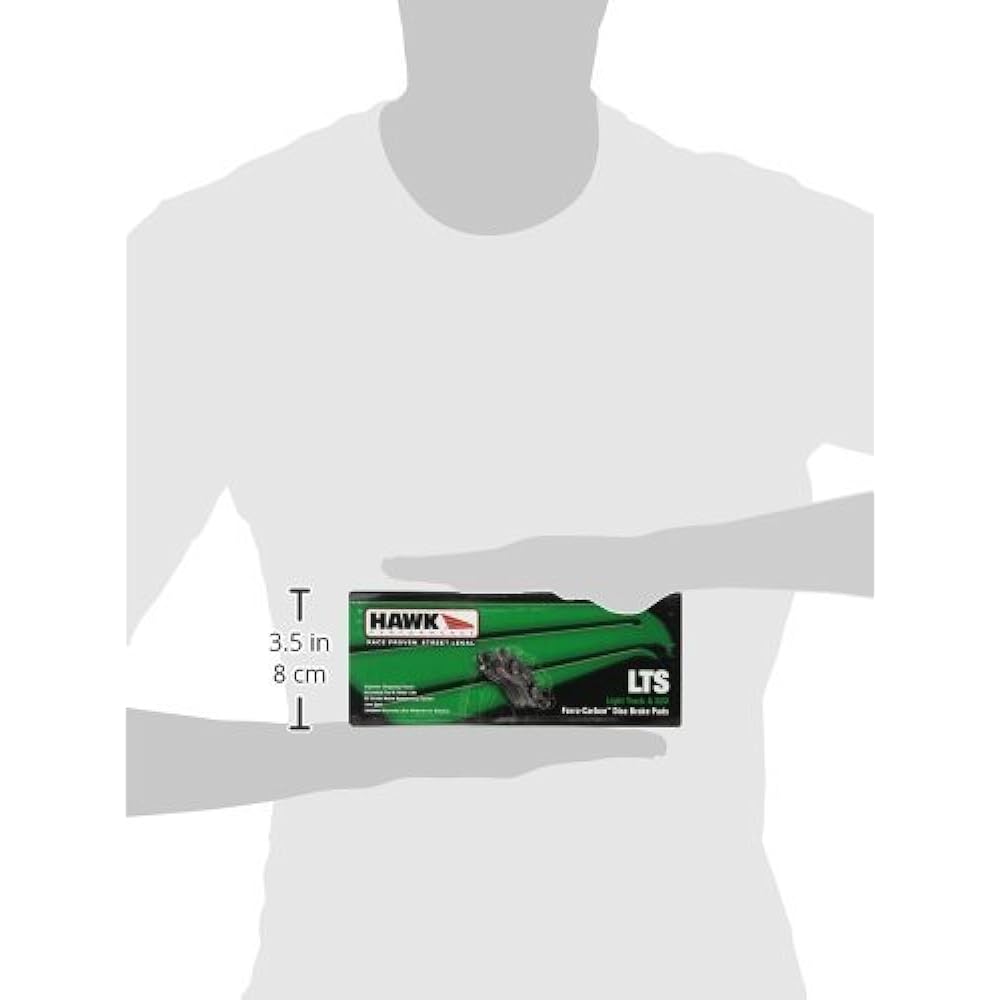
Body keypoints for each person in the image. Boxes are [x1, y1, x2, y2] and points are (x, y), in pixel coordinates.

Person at [128, 2, 872, 996]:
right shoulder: (218, 263)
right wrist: (344, 762)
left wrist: (688, 554)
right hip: (355, 965)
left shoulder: (772, 256)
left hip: (690, 963)